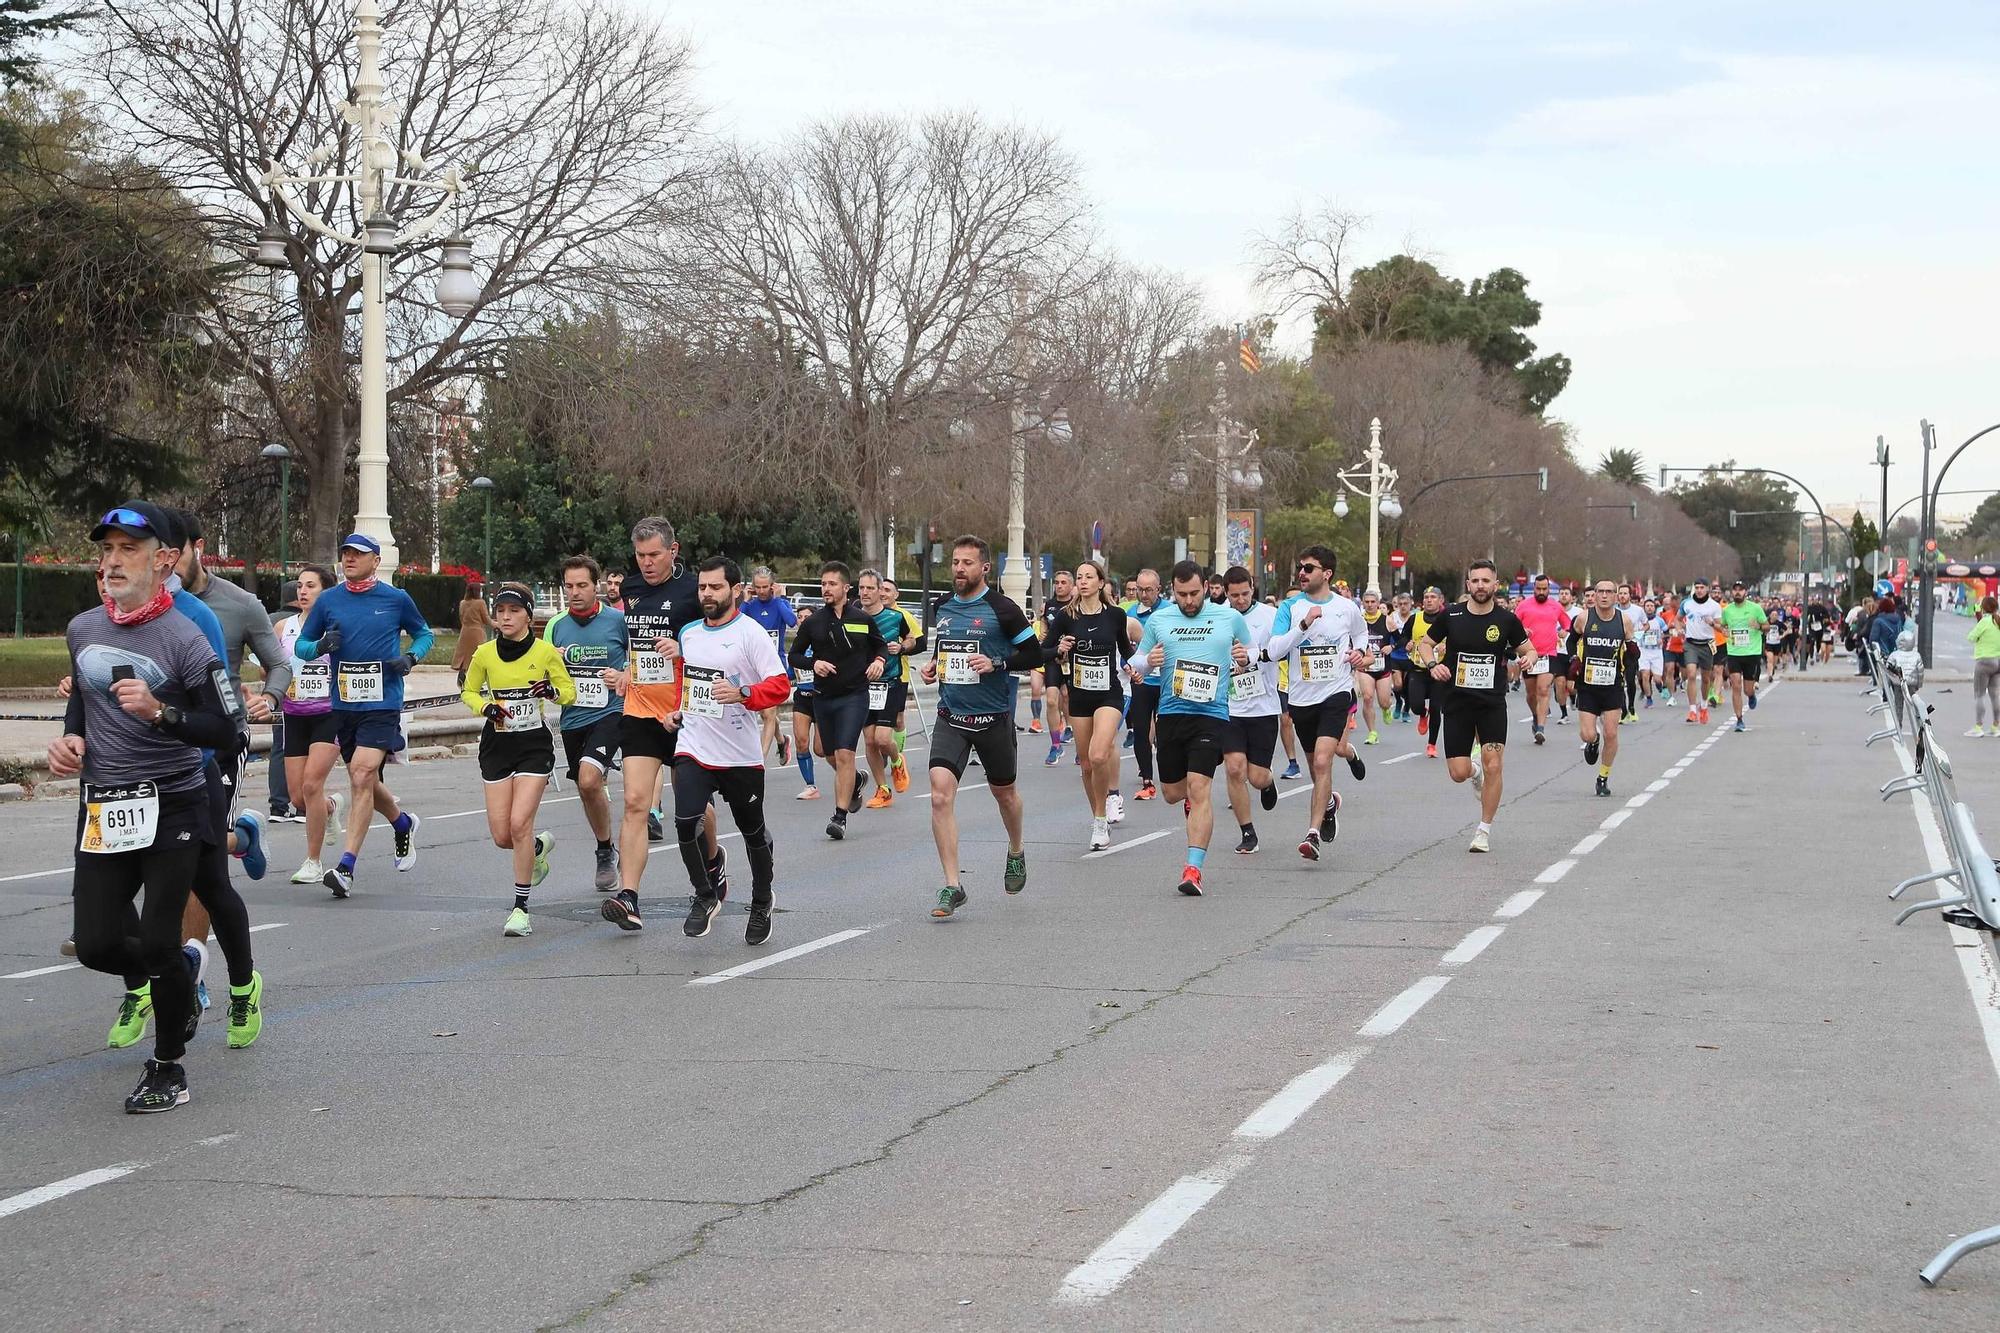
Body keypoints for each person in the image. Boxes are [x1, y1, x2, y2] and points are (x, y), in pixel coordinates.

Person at [52, 502, 246, 1112]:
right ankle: (177, 975)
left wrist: (162, 712)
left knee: (160, 936)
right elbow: (84, 700)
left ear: (164, 561)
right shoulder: (83, 628)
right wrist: (71, 741)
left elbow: (230, 731)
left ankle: (167, 1067)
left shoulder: (186, 638)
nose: (112, 562)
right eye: (106, 550)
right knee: (96, 945)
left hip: (175, 804)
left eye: (128, 550)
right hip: (106, 806)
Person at [598, 516, 723, 932]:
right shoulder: (631, 590)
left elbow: (716, 640)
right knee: (635, 802)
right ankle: (629, 896)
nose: (647, 563)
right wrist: (625, 675)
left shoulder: (694, 590)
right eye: (640, 556)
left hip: (685, 713)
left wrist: (682, 646)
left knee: (693, 808)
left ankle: (713, 862)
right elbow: (636, 648)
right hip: (638, 709)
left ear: (674, 550)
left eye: (654, 555)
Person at [293, 534, 433, 897]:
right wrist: (322, 645)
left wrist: (410, 659)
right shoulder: (329, 601)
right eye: (346, 553)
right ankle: (402, 823)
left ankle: (346, 867)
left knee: (361, 773)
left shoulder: (395, 598)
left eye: (358, 554)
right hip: (343, 704)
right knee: (363, 779)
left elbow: (424, 634)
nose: (350, 559)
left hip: (383, 702)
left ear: (376, 560)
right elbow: (302, 646)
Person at [671, 557, 792, 945]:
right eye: (702, 587)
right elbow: (688, 681)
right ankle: (705, 895)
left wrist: (743, 693)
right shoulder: (689, 632)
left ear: (735, 590)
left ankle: (761, 901)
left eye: (715, 587)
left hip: (739, 752)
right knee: (685, 822)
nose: (707, 594)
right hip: (694, 744)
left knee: (752, 833)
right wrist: (676, 710)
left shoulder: (750, 633)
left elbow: (780, 685)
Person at [919, 535, 1038, 918]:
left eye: (967, 563)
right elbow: (946, 647)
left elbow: (1033, 653)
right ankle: (953, 885)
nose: (958, 569)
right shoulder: (942, 606)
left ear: (984, 568)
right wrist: (932, 666)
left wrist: (997, 664)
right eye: (955, 562)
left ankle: (1016, 848)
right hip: (951, 716)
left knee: (1005, 795)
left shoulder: (1003, 609)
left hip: (993, 719)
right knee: (940, 795)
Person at [1131, 560, 1253, 895]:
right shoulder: (1159, 620)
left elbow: (1252, 650)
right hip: (1171, 713)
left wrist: (1244, 656)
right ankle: (1188, 805)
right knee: (1173, 793)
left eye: (1194, 593)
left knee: (1200, 789)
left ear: (1205, 589)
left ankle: (1193, 869)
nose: (1188, 600)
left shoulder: (1229, 618)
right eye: (1182, 594)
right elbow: (1138, 661)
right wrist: (1147, 662)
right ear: (1173, 590)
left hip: (1211, 715)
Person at [461, 583, 574, 936]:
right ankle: (537, 848)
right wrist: (486, 706)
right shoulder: (484, 654)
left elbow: (568, 693)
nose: (506, 617)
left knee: (520, 823)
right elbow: (468, 691)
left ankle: (520, 909)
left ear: (528, 615)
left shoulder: (544, 653)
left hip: (533, 747)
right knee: (502, 834)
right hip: (497, 745)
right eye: (501, 612)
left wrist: (551, 691)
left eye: (513, 611)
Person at [1416, 559, 1536, 853]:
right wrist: (1433, 665)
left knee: (1494, 763)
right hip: (1457, 701)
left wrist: (1529, 659)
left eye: (1486, 581)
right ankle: (1474, 772)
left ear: (1496, 585)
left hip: (1491, 703)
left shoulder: (1506, 620)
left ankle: (1483, 830)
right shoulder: (1451, 615)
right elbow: (1424, 644)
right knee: (1458, 772)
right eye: (1475, 581)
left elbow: (1528, 648)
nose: (1480, 586)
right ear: (1467, 585)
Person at [1266, 545, 1371, 863]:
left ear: (1326, 574)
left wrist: (1358, 654)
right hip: (1301, 698)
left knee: (1324, 762)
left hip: (1336, 693)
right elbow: (1273, 650)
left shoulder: (1346, 608)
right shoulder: (1290, 607)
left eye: (1308, 568)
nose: (1301, 573)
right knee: (1316, 767)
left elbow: (1362, 635)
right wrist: (1302, 627)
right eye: (1300, 567)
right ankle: (1328, 806)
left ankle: (1312, 835)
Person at [544, 555, 628, 891]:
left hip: (610, 711)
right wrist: (554, 669)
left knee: (590, 779)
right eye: (569, 586)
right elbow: (544, 674)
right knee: (586, 785)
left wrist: (622, 675)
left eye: (582, 585)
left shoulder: (617, 621)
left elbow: (639, 660)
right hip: (573, 715)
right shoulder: (557, 626)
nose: (575, 592)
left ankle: (606, 852)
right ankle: (605, 847)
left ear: (597, 586)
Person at [787, 562, 885, 839]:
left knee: (845, 754)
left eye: (831, 584)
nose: (825, 589)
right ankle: (854, 780)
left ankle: (839, 817)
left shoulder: (862, 619)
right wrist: (813, 662)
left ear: (845, 587)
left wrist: (878, 660)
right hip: (824, 697)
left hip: (854, 696)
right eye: (823, 584)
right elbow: (794, 655)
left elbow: (879, 644)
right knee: (825, 753)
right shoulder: (815, 622)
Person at [1046, 557, 1135, 849]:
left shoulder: (1115, 616)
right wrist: (1060, 650)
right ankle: (1098, 820)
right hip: (1080, 694)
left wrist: (1135, 668)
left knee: (1099, 755)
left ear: (1100, 582)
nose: (1083, 581)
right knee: (1085, 764)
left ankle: (1108, 802)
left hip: (1109, 693)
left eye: (1088, 576)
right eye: (1079, 577)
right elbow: (1046, 650)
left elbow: (1125, 648)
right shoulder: (1065, 617)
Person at [276, 565, 348, 884]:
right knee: (297, 798)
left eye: (311, 586)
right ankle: (331, 807)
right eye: (300, 586)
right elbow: (272, 667)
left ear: (326, 592)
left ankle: (313, 861)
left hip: (329, 713)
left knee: (311, 785)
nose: (302, 591)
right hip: (294, 714)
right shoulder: (283, 627)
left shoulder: (337, 627)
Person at [1222, 567, 1282, 855]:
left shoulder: (1269, 617)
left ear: (1252, 587)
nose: (1241, 599)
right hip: (1230, 707)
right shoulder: (1217, 616)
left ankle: (1268, 783)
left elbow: (1281, 648)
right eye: (1234, 595)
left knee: (1257, 777)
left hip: (1263, 706)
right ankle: (1248, 832)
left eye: (1245, 593)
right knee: (1234, 769)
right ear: (1225, 592)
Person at [857, 568, 920, 807]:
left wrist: (902, 647)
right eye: (861, 588)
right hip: (864, 687)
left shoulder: (895, 617)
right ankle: (883, 789)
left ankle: (896, 760)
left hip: (890, 683)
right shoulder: (853, 617)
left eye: (870, 588)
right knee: (870, 741)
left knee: (883, 739)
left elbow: (912, 639)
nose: (865, 592)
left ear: (880, 591)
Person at [1572, 581, 1630, 796]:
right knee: (1587, 734)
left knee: (1611, 732)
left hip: (1613, 685)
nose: (1604, 596)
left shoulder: (1624, 621)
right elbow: (1571, 640)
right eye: (1600, 592)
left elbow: (1631, 649)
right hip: (1588, 684)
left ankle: (1603, 777)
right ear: (1594, 595)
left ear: (1616, 596)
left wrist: (1632, 656)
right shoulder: (1584, 618)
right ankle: (1594, 742)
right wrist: (1573, 660)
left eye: (1609, 592)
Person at [741, 566, 799, 766]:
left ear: (772, 586)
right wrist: (745, 600)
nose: (762, 591)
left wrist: (782, 598)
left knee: (767, 713)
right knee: (763, 710)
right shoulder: (749, 606)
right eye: (757, 587)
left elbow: (792, 621)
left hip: (774, 664)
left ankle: (760, 760)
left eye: (765, 586)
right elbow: (736, 623)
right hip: (753, 664)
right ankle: (782, 741)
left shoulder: (778, 604)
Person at [1124, 569, 1164, 798]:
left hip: (1166, 681)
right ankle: (1147, 780)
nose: (1144, 594)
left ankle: (1171, 773)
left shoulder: (1171, 611)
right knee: (1140, 731)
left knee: (1165, 732)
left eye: (1149, 589)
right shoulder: (1129, 614)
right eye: (1140, 589)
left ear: (1158, 589)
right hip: (1141, 680)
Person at [1515, 575, 1567, 745]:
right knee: (1531, 694)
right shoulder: (1524, 606)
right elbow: (1512, 627)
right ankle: (1536, 716)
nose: (1541, 592)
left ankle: (1541, 728)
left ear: (1549, 590)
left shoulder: (1555, 606)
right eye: (1538, 589)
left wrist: (1564, 631)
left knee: (1543, 689)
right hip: (1528, 655)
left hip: (1549, 654)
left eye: (1545, 589)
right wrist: (1522, 630)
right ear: (1534, 588)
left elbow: (1567, 624)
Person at [1035, 568, 1075, 764]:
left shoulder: (1077, 605)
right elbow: (1043, 634)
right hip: (1053, 657)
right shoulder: (1049, 606)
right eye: (1057, 582)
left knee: (1069, 698)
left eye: (1063, 583)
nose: (1059, 586)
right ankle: (1055, 745)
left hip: (1074, 660)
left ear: (1072, 586)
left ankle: (1076, 735)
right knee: (1052, 700)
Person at [1718, 580, 1769, 732]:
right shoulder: (1727, 610)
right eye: (1735, 590)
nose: (1737, 592)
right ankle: (1739, 719)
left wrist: (1759, 626)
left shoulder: (1755, 609)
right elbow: (1723, 626)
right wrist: (1723, 631)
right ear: (1732, 593)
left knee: (1747, 689)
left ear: (1745, 592)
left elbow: (1767, 627)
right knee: (1736, 684)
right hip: (1734, 652)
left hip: (1752, 653)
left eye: (1740, 590)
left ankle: (1751, 695)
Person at [1405, 586, 1447, 757]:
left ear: (1440, 600)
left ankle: (1432, 744)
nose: (1429, 600)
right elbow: (1403, 637)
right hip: (1418, 669)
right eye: (1426, 597)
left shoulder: (1446, 619)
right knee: (1415, 705)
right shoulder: (1415, 618)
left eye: (1433, 597)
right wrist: (1406, 644)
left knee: (1436, 707)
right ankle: (1423, 713)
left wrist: (1447, 645)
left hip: (1439, 670)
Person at [1680, 578, 1723, 723]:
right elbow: (1678, 619)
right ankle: (1692, 710)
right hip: (1691, 643)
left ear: (1707, 589)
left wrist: (1711, 623)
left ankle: (1703, 707)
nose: (1699, 590)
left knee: (1706, 678)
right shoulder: (1687, 603)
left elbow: (1720, 627)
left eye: (1702, 587)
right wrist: (1679, 628)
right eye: (1696, 587)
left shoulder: (1714, 606)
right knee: (1691, 674)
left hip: (1707, 644)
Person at [1356, 588, 1394, 745]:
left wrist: (1391, 647)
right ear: (1363, 603)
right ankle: (1372, 732)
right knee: (1367, 697)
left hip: (1383, 667)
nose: (1370, 605)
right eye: (1367, 602)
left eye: (1373, 602)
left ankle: (1386, 709)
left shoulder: (1387, 620)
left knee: (1384, 701)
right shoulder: (1359, 621)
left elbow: (1401, 640)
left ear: (1378, 604)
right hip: (1366, 666)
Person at [1968, 596, 2000, 736]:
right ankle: (1995, 726)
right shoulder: (1998, 621)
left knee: (1980, 695)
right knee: (1995, 695)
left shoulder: (1984, 622)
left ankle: (1978, 726)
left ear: (1984, 608)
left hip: (1984, 662)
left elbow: (1971, 637)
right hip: (1998, 662)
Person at [452, 587, 490, 689]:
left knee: (465, 658)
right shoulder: (480, 603)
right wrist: (496, 624)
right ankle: (476, 682)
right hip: (477, 632)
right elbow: (486, 619)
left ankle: (462, 677)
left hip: (465, 632)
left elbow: (461, 617)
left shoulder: (463, 603)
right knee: (478, 656)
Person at [1636, 596, 1666, 706]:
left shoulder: (1659, 620)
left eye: (1651, 606)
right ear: (1644, 608)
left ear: (1655, 608)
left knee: (1657, 679)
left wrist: (1661, 639)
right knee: (1645, 675)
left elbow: (1666, 632)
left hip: (1656, 652)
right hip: (1643, 651)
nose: (1649, 608)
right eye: (1647, 606)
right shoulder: (1639, 621)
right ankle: (1649, 698)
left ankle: (1659, 685)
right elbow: (1635, 633)